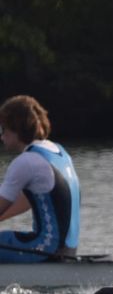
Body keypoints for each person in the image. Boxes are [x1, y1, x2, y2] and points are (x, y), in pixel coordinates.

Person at [0, 94, 81, 263]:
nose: (1, 136)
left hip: (45, 249)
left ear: (16, 128)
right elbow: (28, 200)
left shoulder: (26, 161)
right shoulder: (58, 151)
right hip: (68, 251)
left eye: (3, 129)